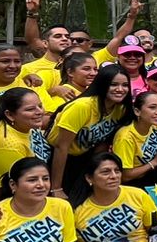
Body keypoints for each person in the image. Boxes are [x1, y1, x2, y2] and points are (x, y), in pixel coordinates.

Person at [48, 65, 130, 198]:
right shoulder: (82, 107)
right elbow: (61, 147)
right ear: (102, 84)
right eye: (113, 84)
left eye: (125, 85)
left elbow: (102, 143)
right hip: (56, 157)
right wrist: (56, 188)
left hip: (84, 157)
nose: (120, 89)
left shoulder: (120, 109)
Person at [0, 88, 52, 206]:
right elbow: (7, 191)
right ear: (10, 115)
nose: (40, 112)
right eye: (30, 109)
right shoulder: (7, 146)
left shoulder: (25, 125)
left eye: (40, 106)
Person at [113, 91, 157, 185]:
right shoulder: (125, 138)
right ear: (137, 111)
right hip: (134, 183)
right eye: (152, 107)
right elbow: (125, 176)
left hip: (153, 176)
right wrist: (155, 162)